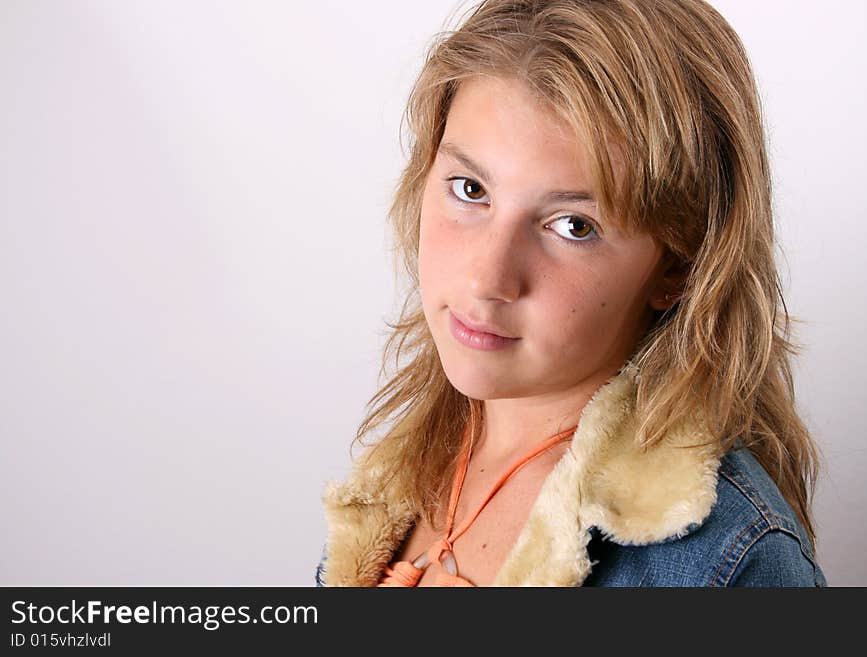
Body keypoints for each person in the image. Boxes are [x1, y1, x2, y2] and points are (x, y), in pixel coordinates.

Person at [315, 0, 827, 587]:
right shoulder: (398, 473)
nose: (488, 279)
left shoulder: (730, 560)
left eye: (573, 225)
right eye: (470, 188)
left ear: (678, 269)